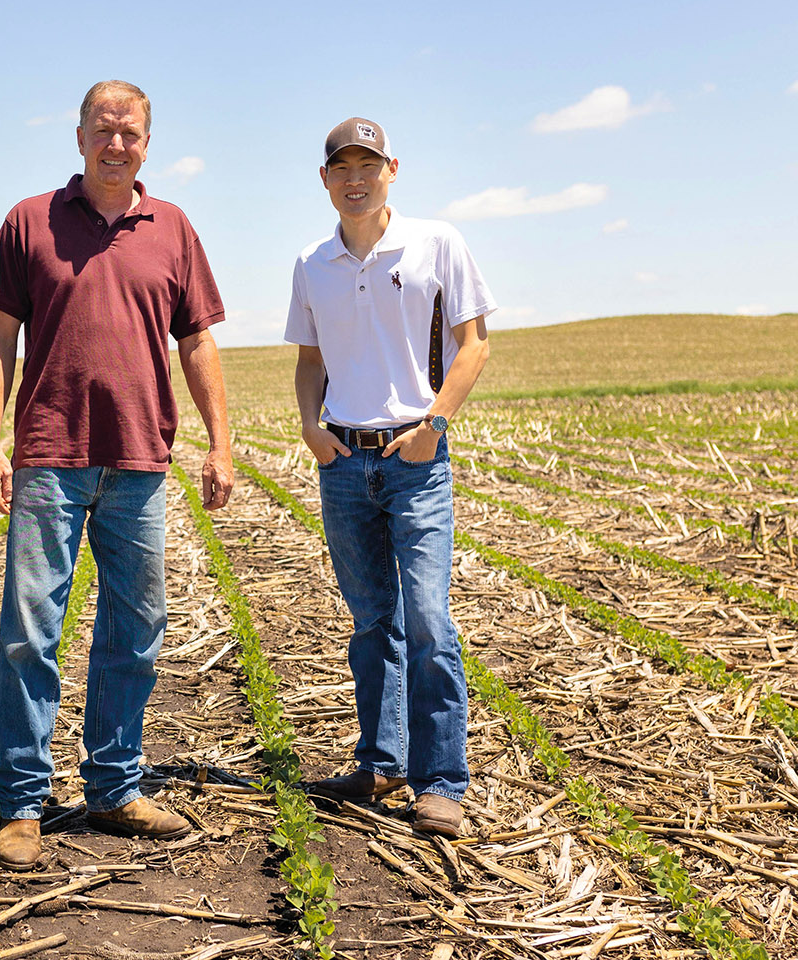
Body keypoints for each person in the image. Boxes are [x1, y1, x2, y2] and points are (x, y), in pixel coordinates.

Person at [0, 79, 235, 871]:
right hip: (50, 456)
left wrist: (221, 443)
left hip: (139, 462)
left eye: (129, 132)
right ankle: (21, 801)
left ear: (147, 143)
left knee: (137, 628)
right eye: (102, 128)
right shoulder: (29, 221)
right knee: (32, 632)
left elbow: (196, 343)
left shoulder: (174, 228)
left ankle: (115, 786)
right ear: (79, 135)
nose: (115, 143)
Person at [285, 118, 493, 838]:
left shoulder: (438, 243)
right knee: (373, 620)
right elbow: (310, 359)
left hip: (416, 461)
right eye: (341, 166)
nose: (355, 178)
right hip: (343, 462)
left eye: (367, 164)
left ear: (392, 169)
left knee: (428, 619)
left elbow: (474, 346)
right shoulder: (312, 262)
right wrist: (312, 427)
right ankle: (379, 762)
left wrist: (432, 426)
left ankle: (442, 782)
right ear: (325, 179)